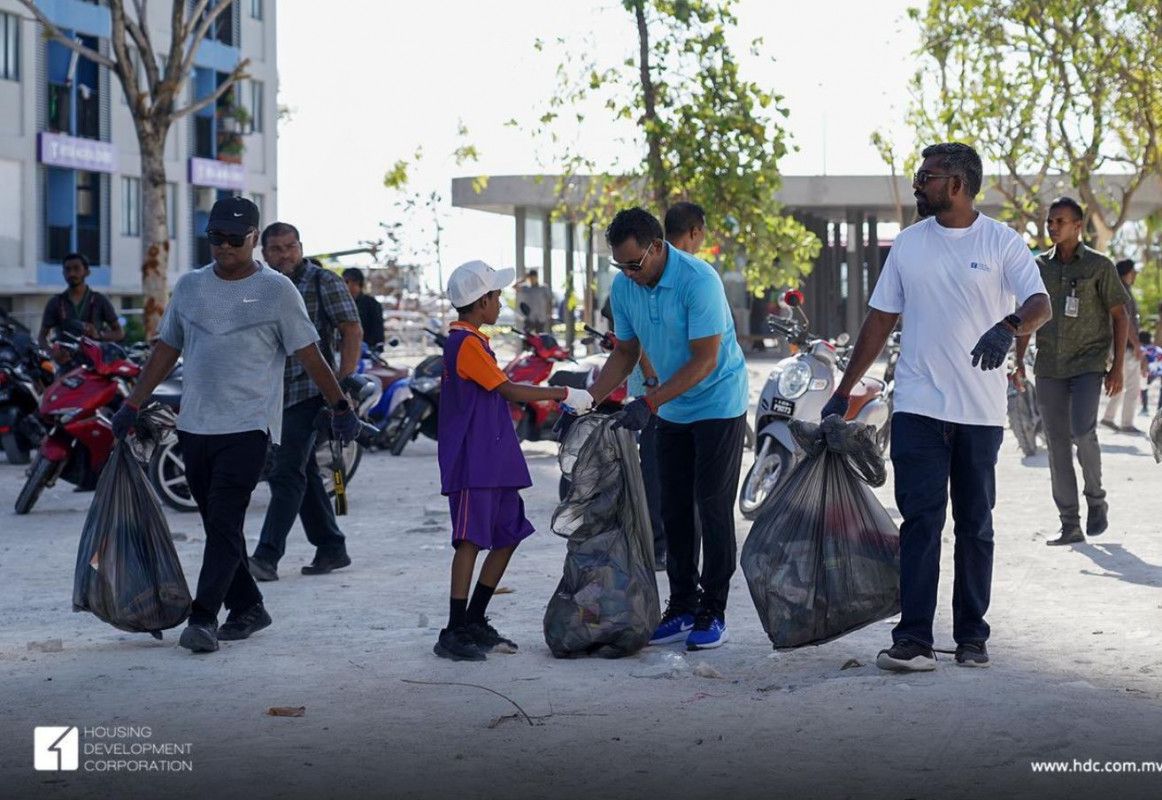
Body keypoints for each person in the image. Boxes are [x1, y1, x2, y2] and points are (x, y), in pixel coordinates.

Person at [823, 143, 1051, 671]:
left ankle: (971, 636)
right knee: (921, 522)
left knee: (975, 525)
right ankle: (914, 639)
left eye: (926, 176)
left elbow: (1039, 303)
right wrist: (844, 389)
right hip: (918, 406)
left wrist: (1009, 326)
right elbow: (880, 319)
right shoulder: (908, 244)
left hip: (980, 413)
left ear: (957, 184)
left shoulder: (1002, 241)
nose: (917, 184)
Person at [110, 197, 362, 655]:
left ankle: (203, 617)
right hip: (195, 426)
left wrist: (340, 405)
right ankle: (249, 606)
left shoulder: (276, 290)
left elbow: (309, 352)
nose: (224, 246)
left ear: (253, 239)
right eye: (216, 237)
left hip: (248, 427)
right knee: (218, 527)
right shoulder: (190, 287)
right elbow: (167, 348)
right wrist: (133, 402)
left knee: (226, 519)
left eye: (234, 238)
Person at [587, 207, 749, 651]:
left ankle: (713, 610)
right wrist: (587, 400)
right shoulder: (625, 286)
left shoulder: (699, 280)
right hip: (672, 409)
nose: (629, 274)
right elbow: (625, 353)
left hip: (718, 403)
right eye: (621, 265)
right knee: (674, 511)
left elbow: (705, 359)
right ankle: (681, 606)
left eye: (635, 264)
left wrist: (649, 402)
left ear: (657, 247)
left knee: (712, 507)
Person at [434, 260, 593, 661]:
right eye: (496, 296)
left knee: (508, 535)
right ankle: (453, 629)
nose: (501, 303)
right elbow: (508, 390)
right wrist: (561, 393)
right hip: (473, 460)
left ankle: (474, 619)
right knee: (470, 540)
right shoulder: (465, 344)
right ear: (481, 301)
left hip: (493, 458)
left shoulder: (474, 341)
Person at [247, 224, 364, 582]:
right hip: (273, 393)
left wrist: (342, 385)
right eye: (277, 249)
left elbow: (351, 328)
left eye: (291, 247)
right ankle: (331, 546)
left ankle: (266, 556)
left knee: (285, 471)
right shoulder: (261, 285)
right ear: (264, 252)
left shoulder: (322, 281)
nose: (285, 254)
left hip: (312, 391)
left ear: (300, 247)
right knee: (304, 471)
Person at [1014, 198, 1128, 546]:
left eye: (1060, 221)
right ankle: (1070, 523)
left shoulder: (1099, 265)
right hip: (1049, 366)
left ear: (1078, 226)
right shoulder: (1038, 267)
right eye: (1050, 221)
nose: (1052, 227)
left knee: (1082, 431)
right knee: (1057, 444)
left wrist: (1117, 367)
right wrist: (1019, 361)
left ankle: (1096, 498)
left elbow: (1120, 315)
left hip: (1088, 364)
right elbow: (1027, 316)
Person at [38, 253, 124, 349]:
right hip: (65, 356)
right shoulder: (55, 302)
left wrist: (99, 334)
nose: (72, 274)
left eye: (76, 269)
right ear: (63, 273)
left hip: (93, 356)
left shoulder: (99, 300)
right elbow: (42, 337)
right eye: (67, 269)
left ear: (87, 272)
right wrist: (52, 352)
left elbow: (119, 333)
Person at [1100, 259, 1144, 434]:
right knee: (1132, 387)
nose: (1135, 276)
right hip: (1126, 347)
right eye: (1134, 272)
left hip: (1119, 346)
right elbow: (1126, 322)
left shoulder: (1118, 289)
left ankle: (1109, 418)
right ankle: (1126, 423)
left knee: (1120, 383)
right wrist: (1137, 345)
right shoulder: (1123, 292)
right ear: (1129, 272)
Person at [343, 268, 386, 351]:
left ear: (357, 282)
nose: (343, 286)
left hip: (367, 350)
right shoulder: (342, 304)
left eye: (346, 282)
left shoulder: (372, 304)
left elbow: (378, 330)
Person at [1139, 332, 1161, 413]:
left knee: (1144, 388)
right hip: (1160, 370)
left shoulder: (1142, 348)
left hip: (1150, 371)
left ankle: (1145, 408)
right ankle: (1159, 408)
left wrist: (1144, 370)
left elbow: (1144, 359)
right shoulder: (1158, 348)